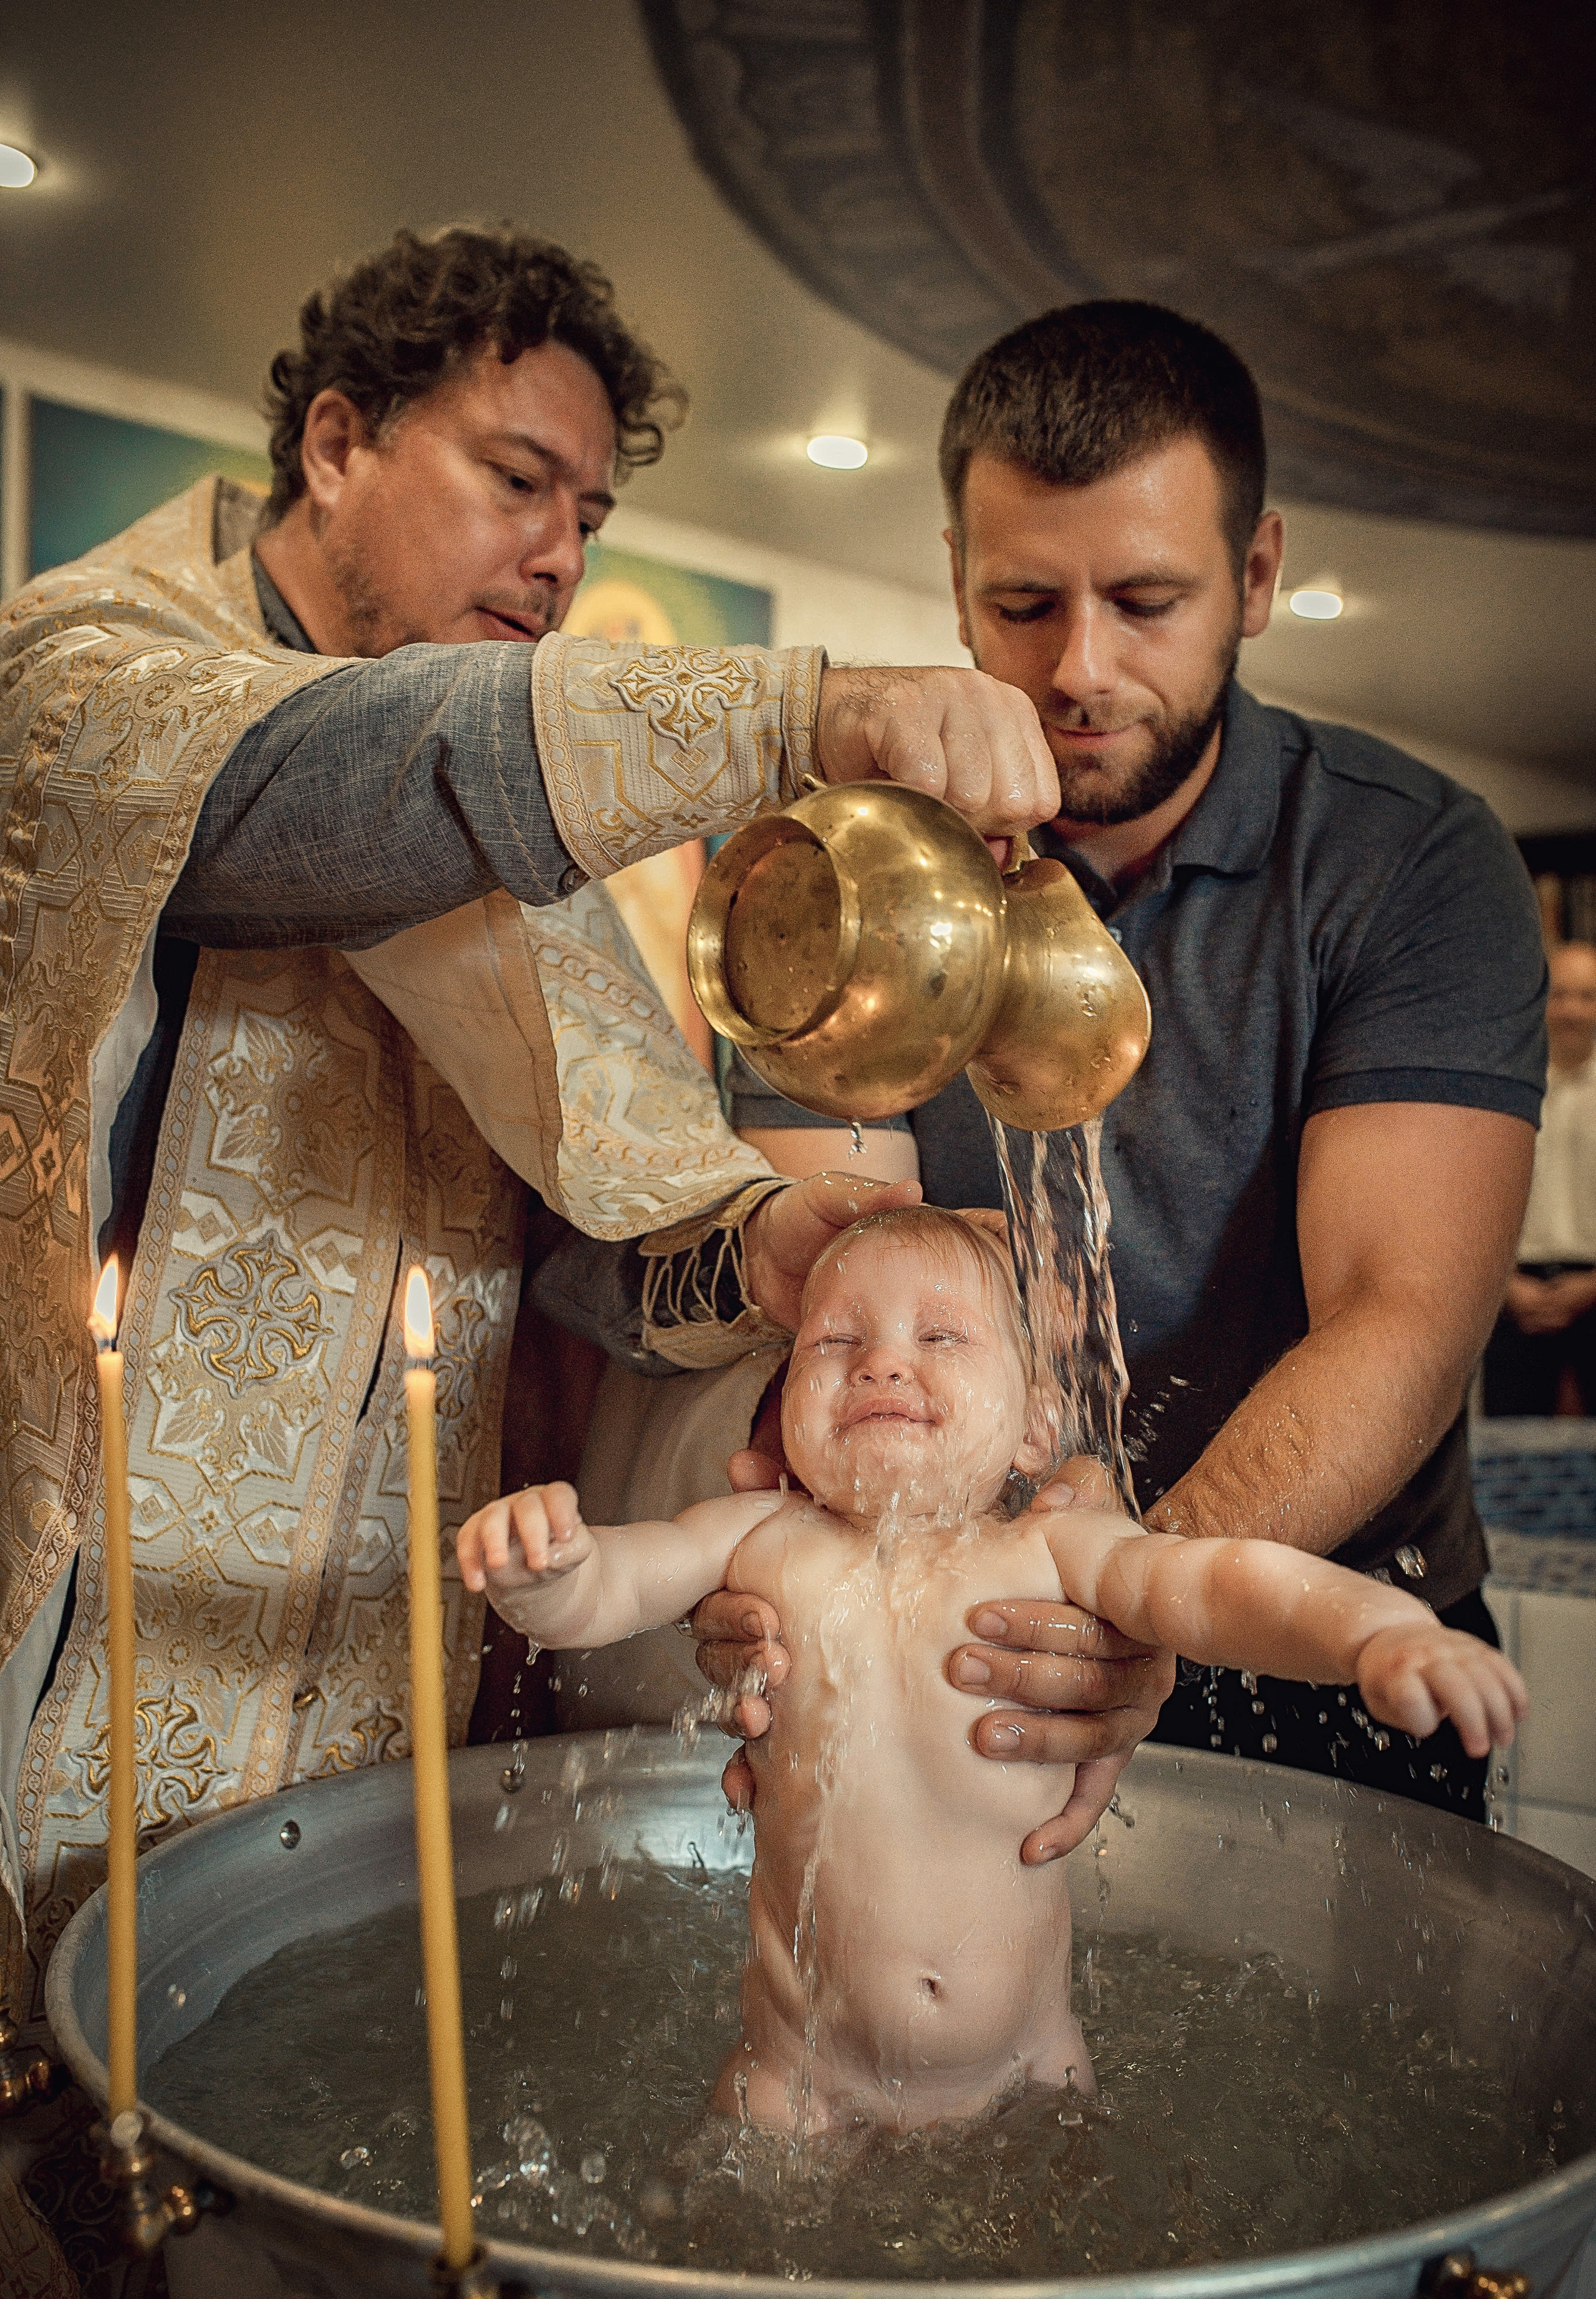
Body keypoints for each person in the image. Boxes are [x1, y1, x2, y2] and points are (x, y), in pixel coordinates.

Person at [0, 221, 1062, 2299]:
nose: (563, 552)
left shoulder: (524, 849)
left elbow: (595, 1204)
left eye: (590, 508)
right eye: (516, 479)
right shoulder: (85, 670)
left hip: (378, 1661)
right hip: (63, 1660)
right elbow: (326, 789)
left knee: (283, 2216)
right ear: (333, 442)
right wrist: (806, 711)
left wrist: (762, 1248)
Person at [691, 299, 1547, 1829]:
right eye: (1022, 603)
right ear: (954, 578)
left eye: (1145, 600)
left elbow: (1398, 1313)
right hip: (963, 1635)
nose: (1078, 668)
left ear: (1255, 575)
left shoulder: (1405, 858)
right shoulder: (841, 869)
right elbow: (836, 1282)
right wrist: (780, 1556)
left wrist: (1137, 1589)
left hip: (1322, 1631)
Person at [461, 1208, 1526, 2132]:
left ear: (1034, 1430)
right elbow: (608, 1590)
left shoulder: (1053, 1554)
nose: (882, 1364)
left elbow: (1219, 1585)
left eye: (940, 1337)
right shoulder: (755, 1536)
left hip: (1031, 2073)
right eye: (836, 1341)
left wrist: (1375, 1633)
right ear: (782, 1408)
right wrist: (541, 1566)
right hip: (799, 2077)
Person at [1483, 941, 1596, 1415]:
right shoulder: (1503, 1088)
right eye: (1561, 994)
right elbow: (1473, 1199)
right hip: (1510, 1291)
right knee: (1507, 1447)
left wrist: (1590, 1287)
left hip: (1595, 1284)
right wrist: (1505, 1285)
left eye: (1587, 996)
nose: (1572, 1010)